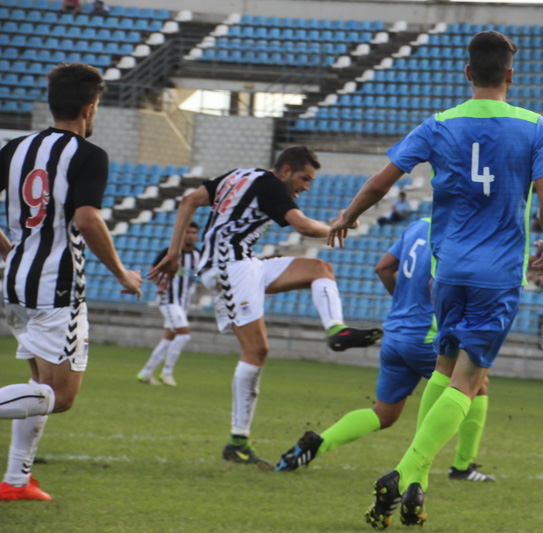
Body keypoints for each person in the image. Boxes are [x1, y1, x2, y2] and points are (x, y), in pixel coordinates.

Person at [326, 31, 543, 528]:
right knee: (469, 383)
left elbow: (379, 183)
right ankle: (406, 470)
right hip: (498, 275)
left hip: (448, 270)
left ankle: (418, 488)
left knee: (443, 368)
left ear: (467, 73)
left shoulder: (439, 125)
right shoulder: (534, 127)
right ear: (510, 76)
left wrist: (347, 217)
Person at [149, 146, 383, 470]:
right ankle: (237, 443)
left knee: (321, 270)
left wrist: (176, 253)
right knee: (256, 351)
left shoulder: (238, 176)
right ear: (285, 170)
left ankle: (336, 329)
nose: (306, 187)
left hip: (245, 263)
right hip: (229, 267)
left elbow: (189, 200)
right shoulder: (271, 186)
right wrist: (341, 224)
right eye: (304, 178)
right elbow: (302, 226)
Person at [0, 63, 142, 501]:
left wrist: (10, 253)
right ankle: (16, 481)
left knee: (39, 387)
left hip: (14, 284)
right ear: (88, 107)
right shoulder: (88, 154)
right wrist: (121, 272)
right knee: (59, 396)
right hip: (56, 289)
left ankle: (16, 481)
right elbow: (86, 217)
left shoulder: (14, 149)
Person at [275, 218, 494, 482]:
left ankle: (319, 443)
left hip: (394, 334)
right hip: (425, 336)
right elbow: (439, 285)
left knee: (385, 413)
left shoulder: (417, 225)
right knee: (477, 385)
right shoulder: (456, 231)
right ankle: (462, 467)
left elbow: (383, 268)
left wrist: (403, 302)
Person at [137, 221, 201, 386]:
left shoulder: (198, 255)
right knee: (184, 335)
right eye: (188, 232)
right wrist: (159, 285)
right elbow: (152, 271)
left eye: (194, 233)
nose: (191, 236)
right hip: (169, 300)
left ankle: (146, 372)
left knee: (169, 339)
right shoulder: (169, 253)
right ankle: (167, 373)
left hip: (183, 302)